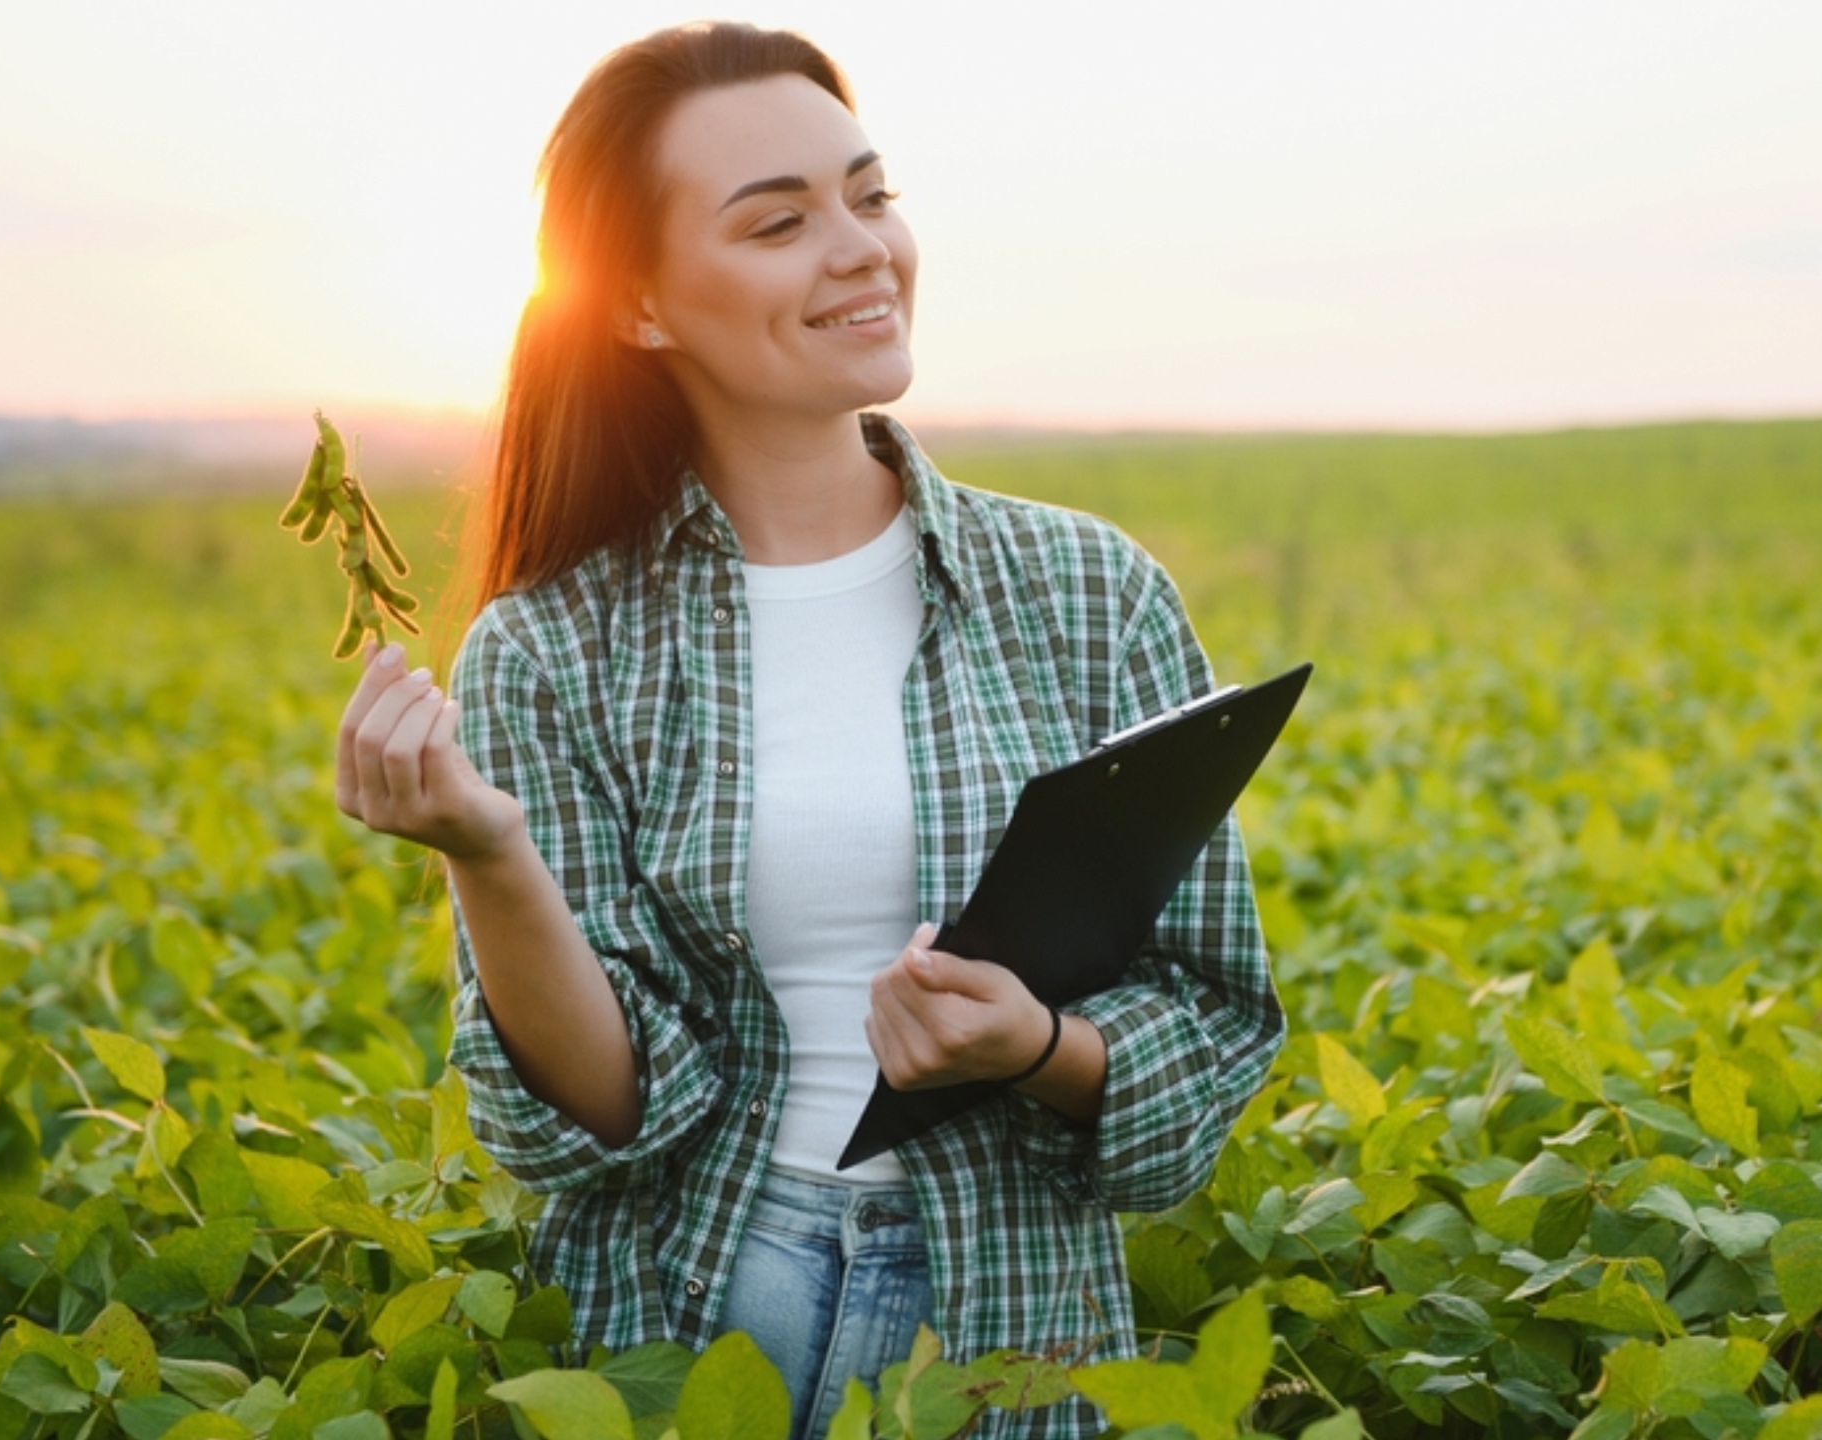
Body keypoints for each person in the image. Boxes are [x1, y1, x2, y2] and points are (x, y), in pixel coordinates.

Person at [332, 21, 1282, 1440]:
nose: (858, 248)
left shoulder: (1088, 591)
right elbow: (600, 1115)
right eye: (780, 221)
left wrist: (1033, 1048)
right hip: (708, 1306)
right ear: (643, 306)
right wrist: (487, 851)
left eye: (870, 195)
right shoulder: (556, 646)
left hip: (1012, 1328)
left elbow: (1211, 1020)